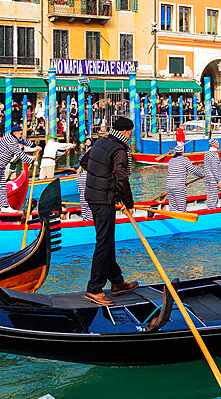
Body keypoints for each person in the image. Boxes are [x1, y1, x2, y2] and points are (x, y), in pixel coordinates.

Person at [81, 116, 138, 306]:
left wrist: (102, 176)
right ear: (124, 132)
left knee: (107, 240)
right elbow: (122, 179)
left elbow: (84, 162)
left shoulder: (101, 142)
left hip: (93, 196)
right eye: (130, 132)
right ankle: (94, 289)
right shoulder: (119, 149)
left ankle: (116, 281)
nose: (131, 136)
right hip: (103, 200)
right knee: (104, 242)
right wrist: (128, 202)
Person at [0, 126, 37, 214]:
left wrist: (35, 146)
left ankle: (4, 206)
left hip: (0, 166)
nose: (21, 135)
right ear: (15, 133)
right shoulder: (11, 141)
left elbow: (23, 140)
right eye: (20, 133)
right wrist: (31, 161)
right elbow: (19, 154)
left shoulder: (13, 136)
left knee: (2, 187)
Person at [165, 143, 204, 213]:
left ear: (174, 152)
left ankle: (174, 219)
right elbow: (193, 170)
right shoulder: (184, 159)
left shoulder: (170, 161)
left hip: (169, 185)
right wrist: (201, 175)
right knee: (181, 208)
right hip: (178, 186)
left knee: (173, 207)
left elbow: (173, 173)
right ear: (182, 152)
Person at [202, 139, 221, 209]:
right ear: (214, 144)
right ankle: (212, 210)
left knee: (209, 196)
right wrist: (219, 181)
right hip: (213, 180)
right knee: (213, 198)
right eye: (217, 142)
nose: (219, 143)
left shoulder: (207, 153)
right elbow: (215, 169)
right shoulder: (214, 154)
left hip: (208, 179)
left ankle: (210, 209)